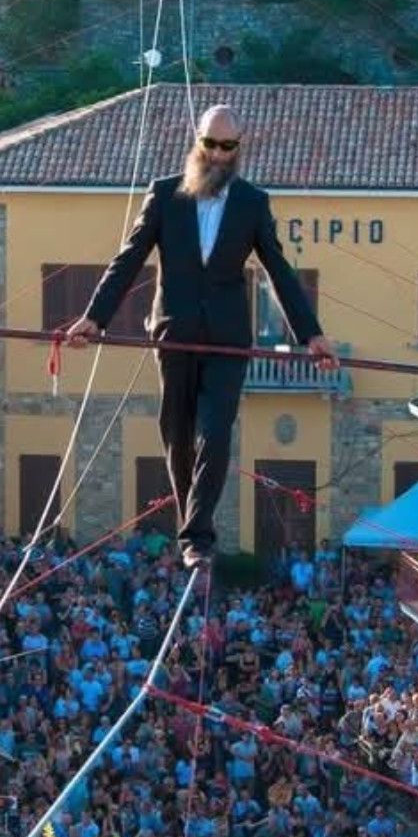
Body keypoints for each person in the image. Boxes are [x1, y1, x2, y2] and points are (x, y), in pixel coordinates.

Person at [65, 104, 337, 570]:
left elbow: (279, 270)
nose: (216, 153)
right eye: (209, 143)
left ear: (238, 149)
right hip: (175, 331)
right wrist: (95, 317)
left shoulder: (252, 202)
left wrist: (310, 335)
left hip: (227, 339)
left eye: (226, 146)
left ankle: (197, 536)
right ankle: (191, 525)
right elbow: (128, 259)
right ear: (198, 142)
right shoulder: (165, 195)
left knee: (214, 433)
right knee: (176, 433)